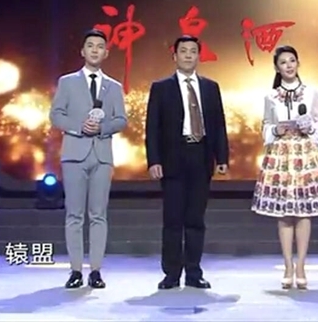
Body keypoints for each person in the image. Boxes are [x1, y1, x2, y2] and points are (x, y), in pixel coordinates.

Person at [145, 35, 230, 290]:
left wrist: (222, 157)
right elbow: (152, 128)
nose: (188, 55)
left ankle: (194, 272)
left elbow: (219, 125)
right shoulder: (161, 88)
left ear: (198, 56)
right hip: (172, 159)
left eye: (193, 51)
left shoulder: (210, 87)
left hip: (201, 156)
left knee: (195, 219)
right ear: (175, 56)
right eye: (183, 51)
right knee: (173, 220)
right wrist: (154, 160)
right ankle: (171, 274)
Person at [250, 45, 318, 290]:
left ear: (298, 64)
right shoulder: (271, 96)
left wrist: (311, 127)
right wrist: (275, 129)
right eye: (283, 62)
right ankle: (288, 265)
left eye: (292, 61)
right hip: (281, 155)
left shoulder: (311, 93)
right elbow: (265, 127)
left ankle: (301, 266)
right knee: (285, 213)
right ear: (277, 68)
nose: (288, 65)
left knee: (304, 212)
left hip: (304, 153)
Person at [49, 29, 127, 289]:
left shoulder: (113, 87)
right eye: (90, 45)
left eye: (100, 46)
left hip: (102, 156)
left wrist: (102, 128)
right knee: (74, 215)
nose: (95, 50)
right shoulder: (67, 82)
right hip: (74, 154)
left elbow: (121, 120)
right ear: (82, 51)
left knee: (98, 215)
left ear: (106, 53)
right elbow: (56, 115)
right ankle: (75, 270)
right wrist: (78, 127)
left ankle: (95, 270)